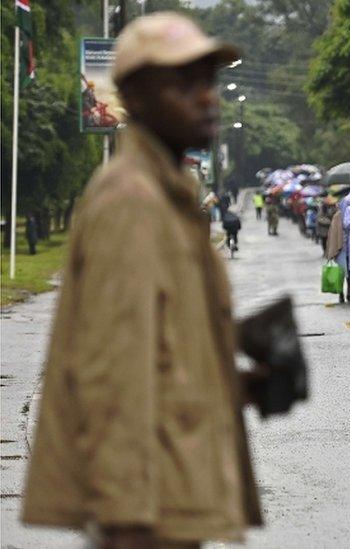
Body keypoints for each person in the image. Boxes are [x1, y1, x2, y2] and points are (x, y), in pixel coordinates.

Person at [21, 13, 264, 547]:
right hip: (146, 505)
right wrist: (125, 515)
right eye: (184, 85)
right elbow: (112, 370)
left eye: (209, 83)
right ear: (136, 97)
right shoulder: (133, 202)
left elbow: (164, 348)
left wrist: (236, 380)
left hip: (170, 482)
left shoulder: (167, 192)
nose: (207, 98)